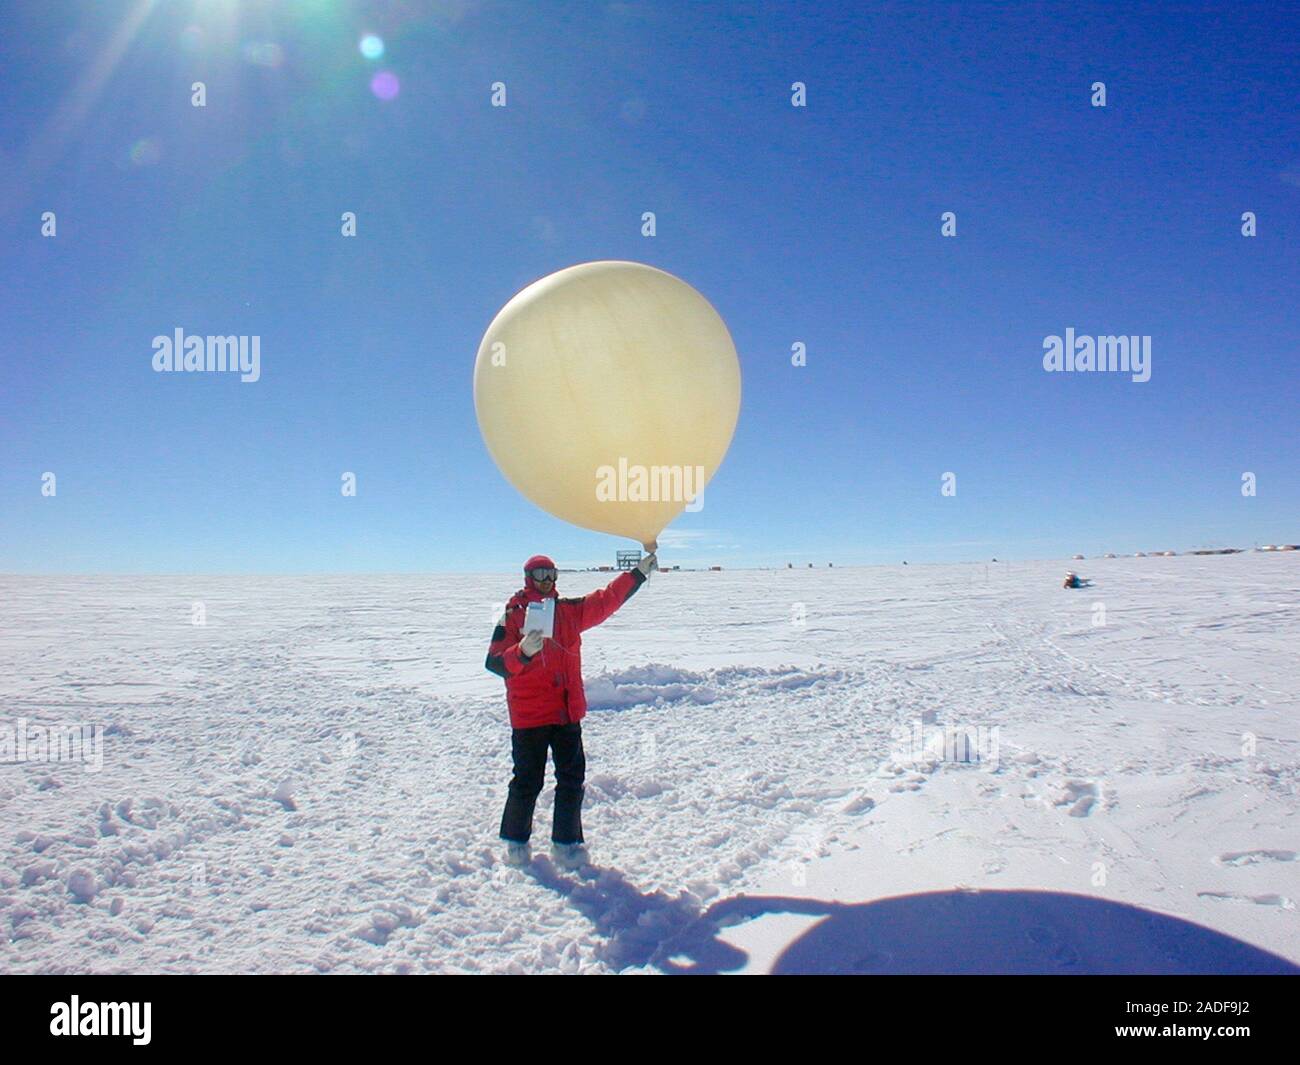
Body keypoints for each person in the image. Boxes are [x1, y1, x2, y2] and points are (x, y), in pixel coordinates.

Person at [485, 544, 658, 870]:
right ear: (528, 578)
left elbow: (606, 600)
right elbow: (494, 663)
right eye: (540, 574)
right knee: (527, 781)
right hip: (530, 716)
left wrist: (638, 573)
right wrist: (521, 651)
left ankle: (566, 844)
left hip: (565, 712)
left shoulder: (567, 611)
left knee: (571, 779)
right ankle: (515, 842)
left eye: (551, 574)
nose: (547, 580)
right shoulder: (512, 615)